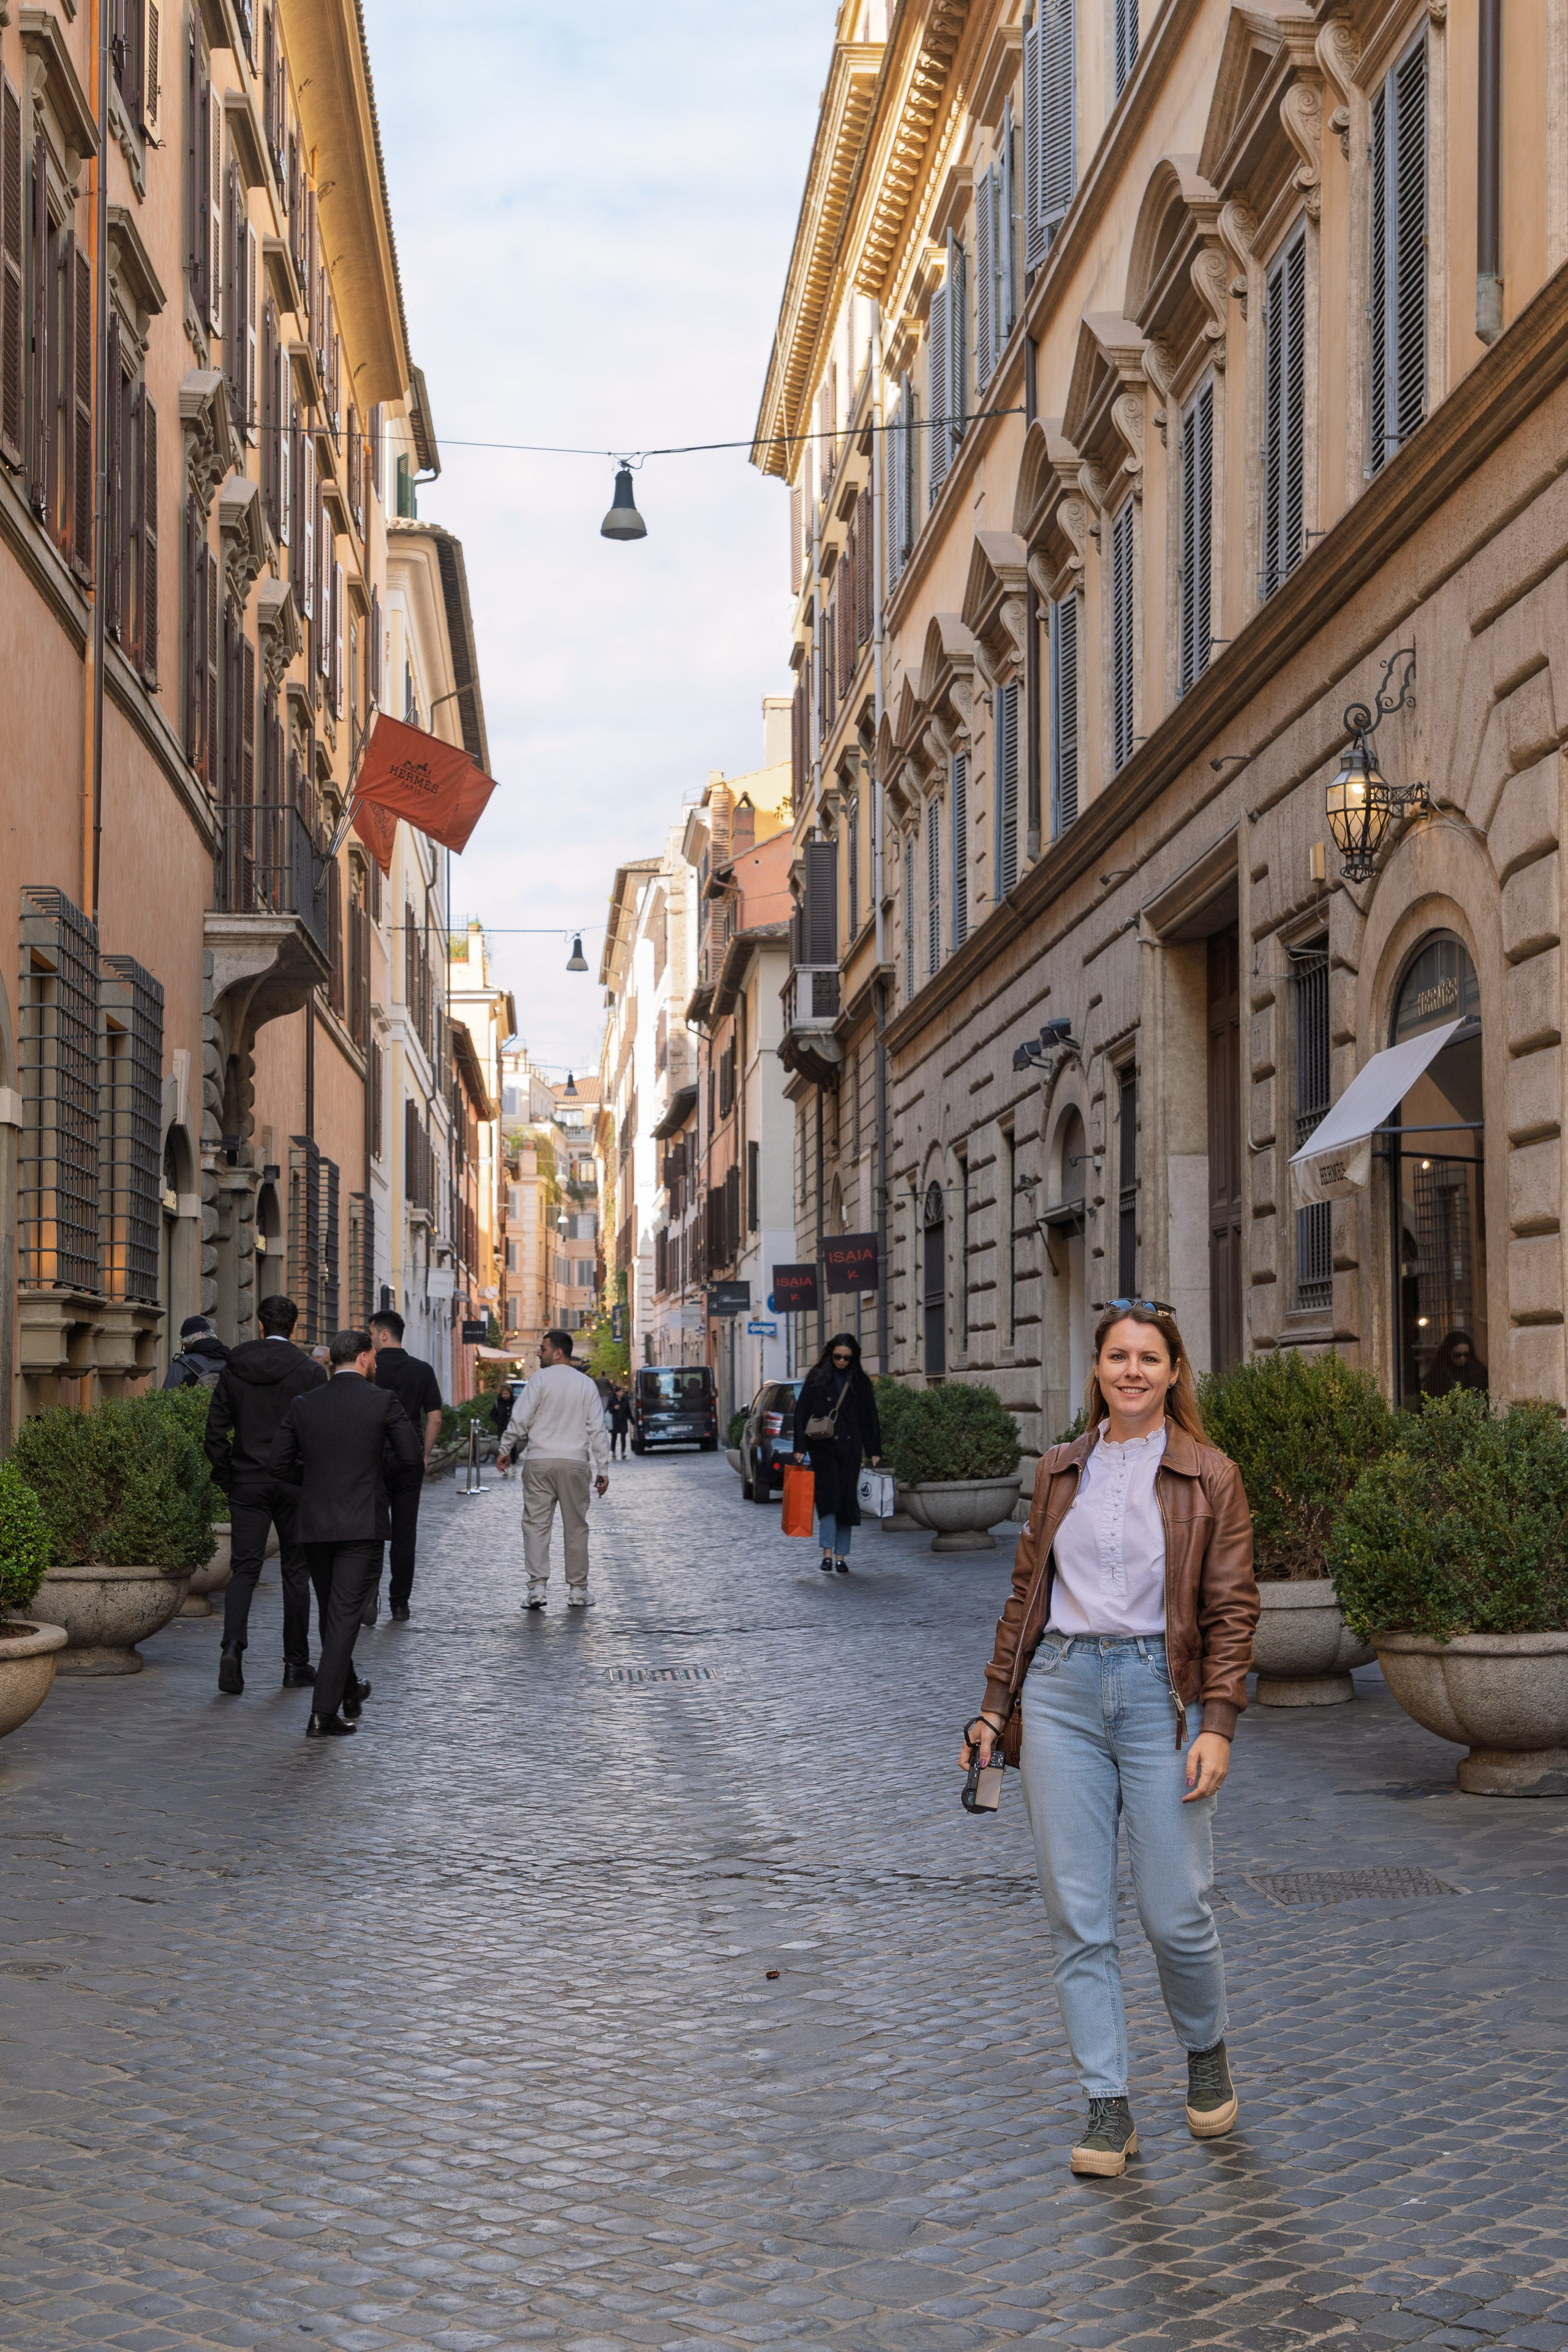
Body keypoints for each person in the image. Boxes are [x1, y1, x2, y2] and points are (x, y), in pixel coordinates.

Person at [964, 1302, 1259, 2180]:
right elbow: (1025, 1600)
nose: (1132, 1371)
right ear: (1096, 1368)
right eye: (1118, 1357)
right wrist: (992, 1709)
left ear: (1175, 1373)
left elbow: (1232, 1612)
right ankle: (1107, 2104)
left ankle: (1205, 2051)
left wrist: (1219, 1722)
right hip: (1058, 1693)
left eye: (1150, 1359)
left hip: (1161, 1697)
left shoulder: (1212, 1476)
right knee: (1078, 1913)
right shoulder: (1058, 1471)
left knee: (1176, 1912)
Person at [269, 1329, 423, 1739]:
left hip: (316, 1523)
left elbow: (278, 1463)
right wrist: (376, 1479)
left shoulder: (305, 1404)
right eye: (373, 1357)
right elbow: (410, 1457)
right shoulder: (382, 1401)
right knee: (342, 1616)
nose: (375, 1362)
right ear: (365, 1358)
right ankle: (322, 1714)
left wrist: (314, 1480)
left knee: (334, 1613)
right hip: (361, 1522)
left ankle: (350, 1689)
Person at [204, 1294, 330, 1695]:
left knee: (244, 1570)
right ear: (293, 1327)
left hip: (247, 1481)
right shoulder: (310, 1372)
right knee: (296, 1572)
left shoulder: (235, 1366)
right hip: (293, 1482)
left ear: (261, 1325)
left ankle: (232, 1649)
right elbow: (319, 1437)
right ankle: (296, 1664)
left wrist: (227, 1475)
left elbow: (215, 1430)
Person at [496, 1329, 609, 1608]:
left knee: (535, 1524)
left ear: (558, 1352)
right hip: (574, 1462)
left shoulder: (539, 1380)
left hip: (539, 1461)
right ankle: (578, 1591)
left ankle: (537, 1588)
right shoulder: (586, 1384)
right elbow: (597, 1429)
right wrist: (603, 1468)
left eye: (543, 1348)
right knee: (577, 1527)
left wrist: (504, 1449)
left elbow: (519, 1418)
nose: (538, 1352)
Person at [363, 1310, 443, 1624]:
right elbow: (434, 1417)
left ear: (384, 1335)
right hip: (409, 1460)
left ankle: (369, 1596)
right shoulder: (422, 1370)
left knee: (371, 1531)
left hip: (373, 1460)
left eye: (371, 1333)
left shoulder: (370, 1369)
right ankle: (400, 1604)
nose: (369, 1339)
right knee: (405, 1534)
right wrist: (424, 1454)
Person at [792, 1332, 882, 1574]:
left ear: (854, 1358)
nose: (841, 1361)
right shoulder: (816, 1378)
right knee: (828, 1501)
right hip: (823, 1449)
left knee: (846, 1504)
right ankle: (827, 1554)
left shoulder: (860, 1381)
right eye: (837, 1356)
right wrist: (800, 1448)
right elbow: (801, 1413)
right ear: (830, 1354)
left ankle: (841, 1556)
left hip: (850, 1450)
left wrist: (873, 1449)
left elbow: (869, 1416)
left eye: (846, 1358)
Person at [165, 1314, 230, 1391]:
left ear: (187, 1342)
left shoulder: (180, 1366)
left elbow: (166, 1397)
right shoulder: (230, 1362)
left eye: (184, 1344)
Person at [609, 1383, 631, 1460]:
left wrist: (632, 1420)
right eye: (620, 1392)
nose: (622, 1393)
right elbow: (608, 1410)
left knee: (623, 1437)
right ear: (616, 1392)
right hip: (615, 1421)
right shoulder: (612, 1400)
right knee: (614, 1438)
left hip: (623, 1421)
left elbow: (628, 1411)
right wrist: (614, 1408)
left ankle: (623, 1452)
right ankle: (614, 1452)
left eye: (622, 1392)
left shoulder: (625, 1400)